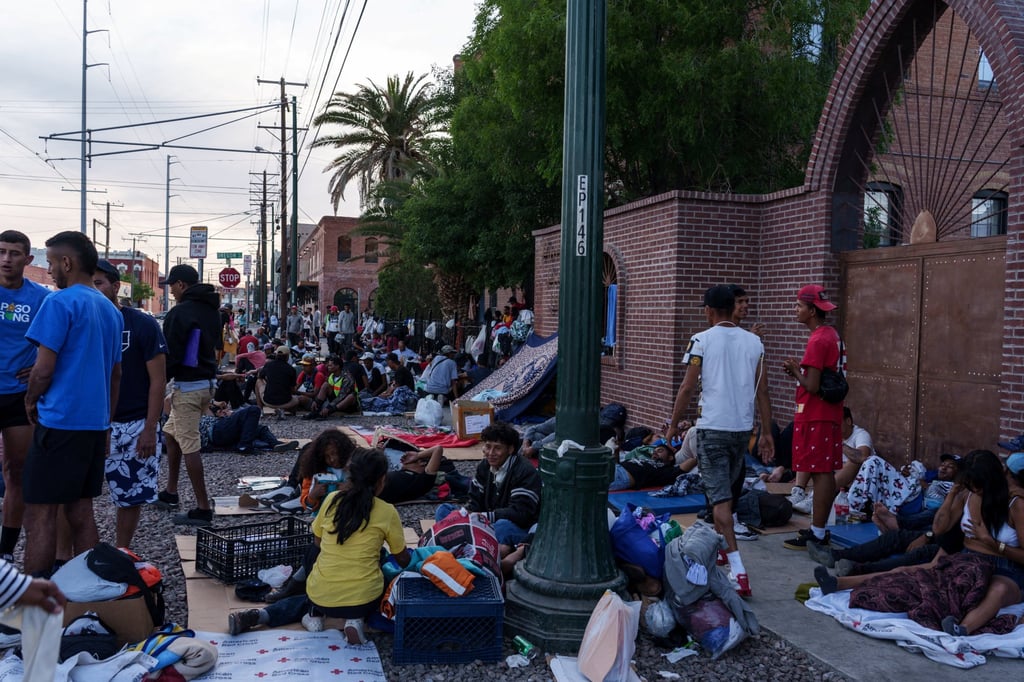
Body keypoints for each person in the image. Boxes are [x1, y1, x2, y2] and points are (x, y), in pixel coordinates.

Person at [228, 448, 411, 645]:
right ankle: (355, 619)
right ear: (382, 480)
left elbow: (317, 544)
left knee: (316, 583)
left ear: (350, 474)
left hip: (320, 595)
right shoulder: (387, 511)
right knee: (383, 571)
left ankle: (281, 615)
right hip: (363, 599)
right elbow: (401, 559)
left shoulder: (332, 500)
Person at [23, 231, 123, 574]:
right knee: (82, 511)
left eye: (51, 262)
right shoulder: (110, 311)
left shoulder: (59, 302)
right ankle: (86, 593)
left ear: (67, 262)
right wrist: (106, 421)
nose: (49, 270)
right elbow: (115, 375)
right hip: (94, 424)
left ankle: (31, 603)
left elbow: (43, 368)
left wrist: (30, 399)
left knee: (40, 512)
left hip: (59, 421)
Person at [665, 285, 774, 598]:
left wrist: (673, 425)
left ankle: (739, 572)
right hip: (742, 429)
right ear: (732, 308)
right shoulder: (755, 342)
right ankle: (722, 547)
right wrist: (766, 431)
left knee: (721, 503)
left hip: (712, 428)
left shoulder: (701, 340)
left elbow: (687, 387)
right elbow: (763, 390)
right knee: (721, 492)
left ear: (709, 310)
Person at [93, 260, 168, 548]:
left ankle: (122, 550)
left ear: (116, 286)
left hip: (133, 423)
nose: (95, 290)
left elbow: (158, 381)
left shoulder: (142, 324)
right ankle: (79, 556)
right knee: (75, 495)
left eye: (100, 283)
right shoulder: (81, 321)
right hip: (90, 421)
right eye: (90, 283)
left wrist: (150, 427)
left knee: (130, 495)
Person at [158, 264, 222, 527]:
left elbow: (169, 354)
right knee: (171, 433)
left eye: (172, 285)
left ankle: (202, 508)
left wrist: (157, 383)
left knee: (189, 444)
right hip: (207, 383)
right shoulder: (212, 310)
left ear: (182, 284)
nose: (170, 290)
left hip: (188, 387)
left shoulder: (180, 313)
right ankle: (171, 492)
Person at [0, 230, 50, 563]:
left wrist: (37, 365)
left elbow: (55, 342)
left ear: (28, 260)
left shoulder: (41, 298)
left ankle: (4, 553)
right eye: (1, 252)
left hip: (19, 396)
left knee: (16, 473)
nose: (6, 259)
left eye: (14, 253)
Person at [782, 284, 844, 552]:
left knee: (821, 472)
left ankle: (817, 533)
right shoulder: (831, 335)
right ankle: (817, 530)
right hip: (827, 414)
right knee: (823, 470)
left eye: (798, 306)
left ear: (811, 310)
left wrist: (796, 371)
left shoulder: (818, 340)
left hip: (816, 414)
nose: (796, 310)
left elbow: (812, 386)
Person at [434, 422, 542, 557]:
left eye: (497, 448)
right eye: (488, 446)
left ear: (510, 449)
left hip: (515, 526)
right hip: (486, 522)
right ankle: (473, 544)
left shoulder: (524, 471)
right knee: (444, 510)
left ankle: (467, 545)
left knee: (502, 527)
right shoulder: (485, 466)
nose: (491, 453)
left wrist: (486, 517)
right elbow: (474, 500)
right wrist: (467, 512)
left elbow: (521, 514)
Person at [789, 407, 874, 514]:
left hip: (852, 481)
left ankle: (817, 496)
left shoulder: (861, 434)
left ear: (848, 421)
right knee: (811, 449)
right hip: (832, 476)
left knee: (854, 461)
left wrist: (839, 443)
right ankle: (799, 492)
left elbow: (862, 457)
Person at [200, 400, 299, 454]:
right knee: (253, 410)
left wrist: (220, 411)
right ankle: (244, 446)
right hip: (215, 431)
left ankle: (275, 444)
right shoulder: (194, 414)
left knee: (260, 428)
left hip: (219, 429)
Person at [609, 439, 695, 491]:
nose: (655, 453)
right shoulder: (647, 461)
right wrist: (616, 452)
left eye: (660, 451)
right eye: (654, 452)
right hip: (616, 468)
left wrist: (701, 453)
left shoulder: (666, 470)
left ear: (670, 457)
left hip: (620, 476)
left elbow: (690, 461)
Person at [304, 355, 358, 419]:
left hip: (348, 405)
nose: (327, 367)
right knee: (325, 385)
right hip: (335, 402)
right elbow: (325, 391)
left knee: (351, 396)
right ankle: (315, 410)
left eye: (330, 365)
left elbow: (342, 396)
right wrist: (316, 402)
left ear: (337, 366)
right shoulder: (331, 376)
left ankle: (326, 412)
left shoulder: (347, 377)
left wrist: (329, 408)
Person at [257, 346, 305, 415]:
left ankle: (260, 411)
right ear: (287, 356)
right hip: (286, 402)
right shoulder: (291, 369)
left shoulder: (268, 365)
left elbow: (259, 376)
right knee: (297, 399)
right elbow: (292, 390)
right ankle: (285, 411)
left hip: (268, 401)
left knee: (258, 381)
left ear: (276, 355)